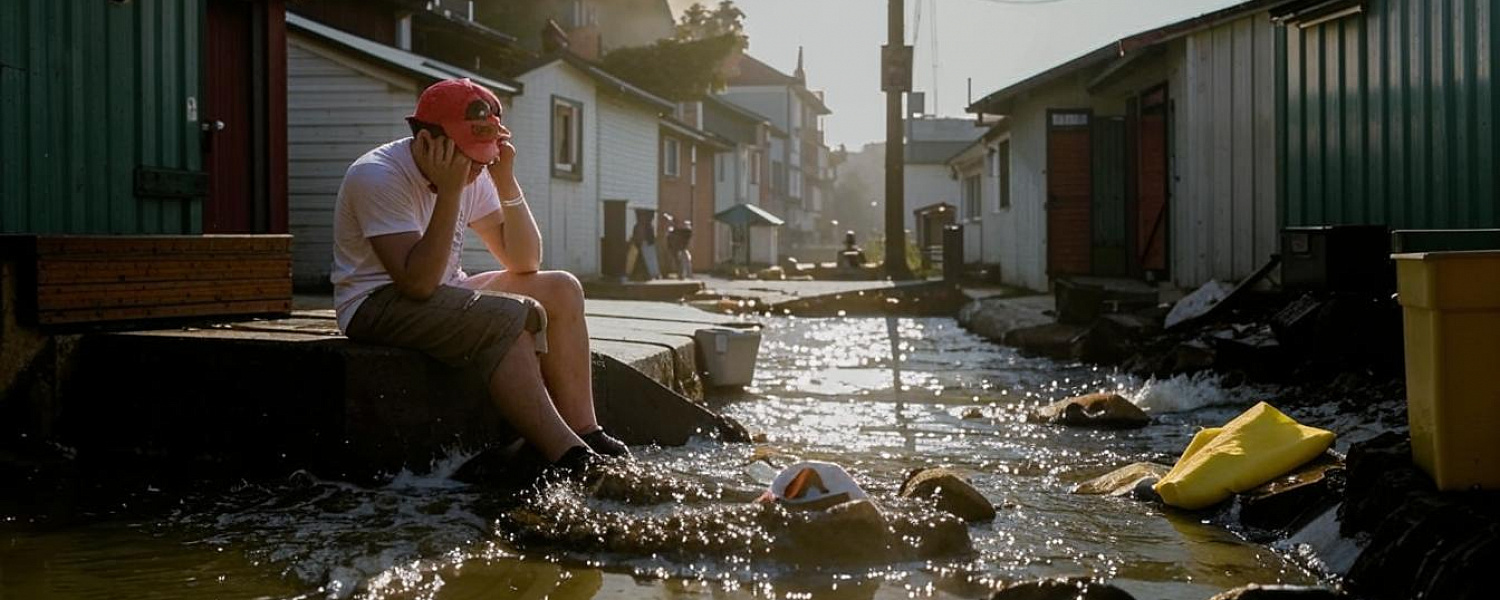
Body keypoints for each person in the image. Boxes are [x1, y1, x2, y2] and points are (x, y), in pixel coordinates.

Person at [330, 78, 628, 476]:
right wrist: (450, 193)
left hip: (441, 289)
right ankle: (569, 458)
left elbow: (524, 260)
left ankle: (585, 431)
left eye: (483, 158)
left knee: (561, 288)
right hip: (375, 303)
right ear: (425, 141)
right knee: (508, 316)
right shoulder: (377, 176)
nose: (475, 170)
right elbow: (417, 284)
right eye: (469, 157)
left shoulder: (472, 170)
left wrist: (504, 179)